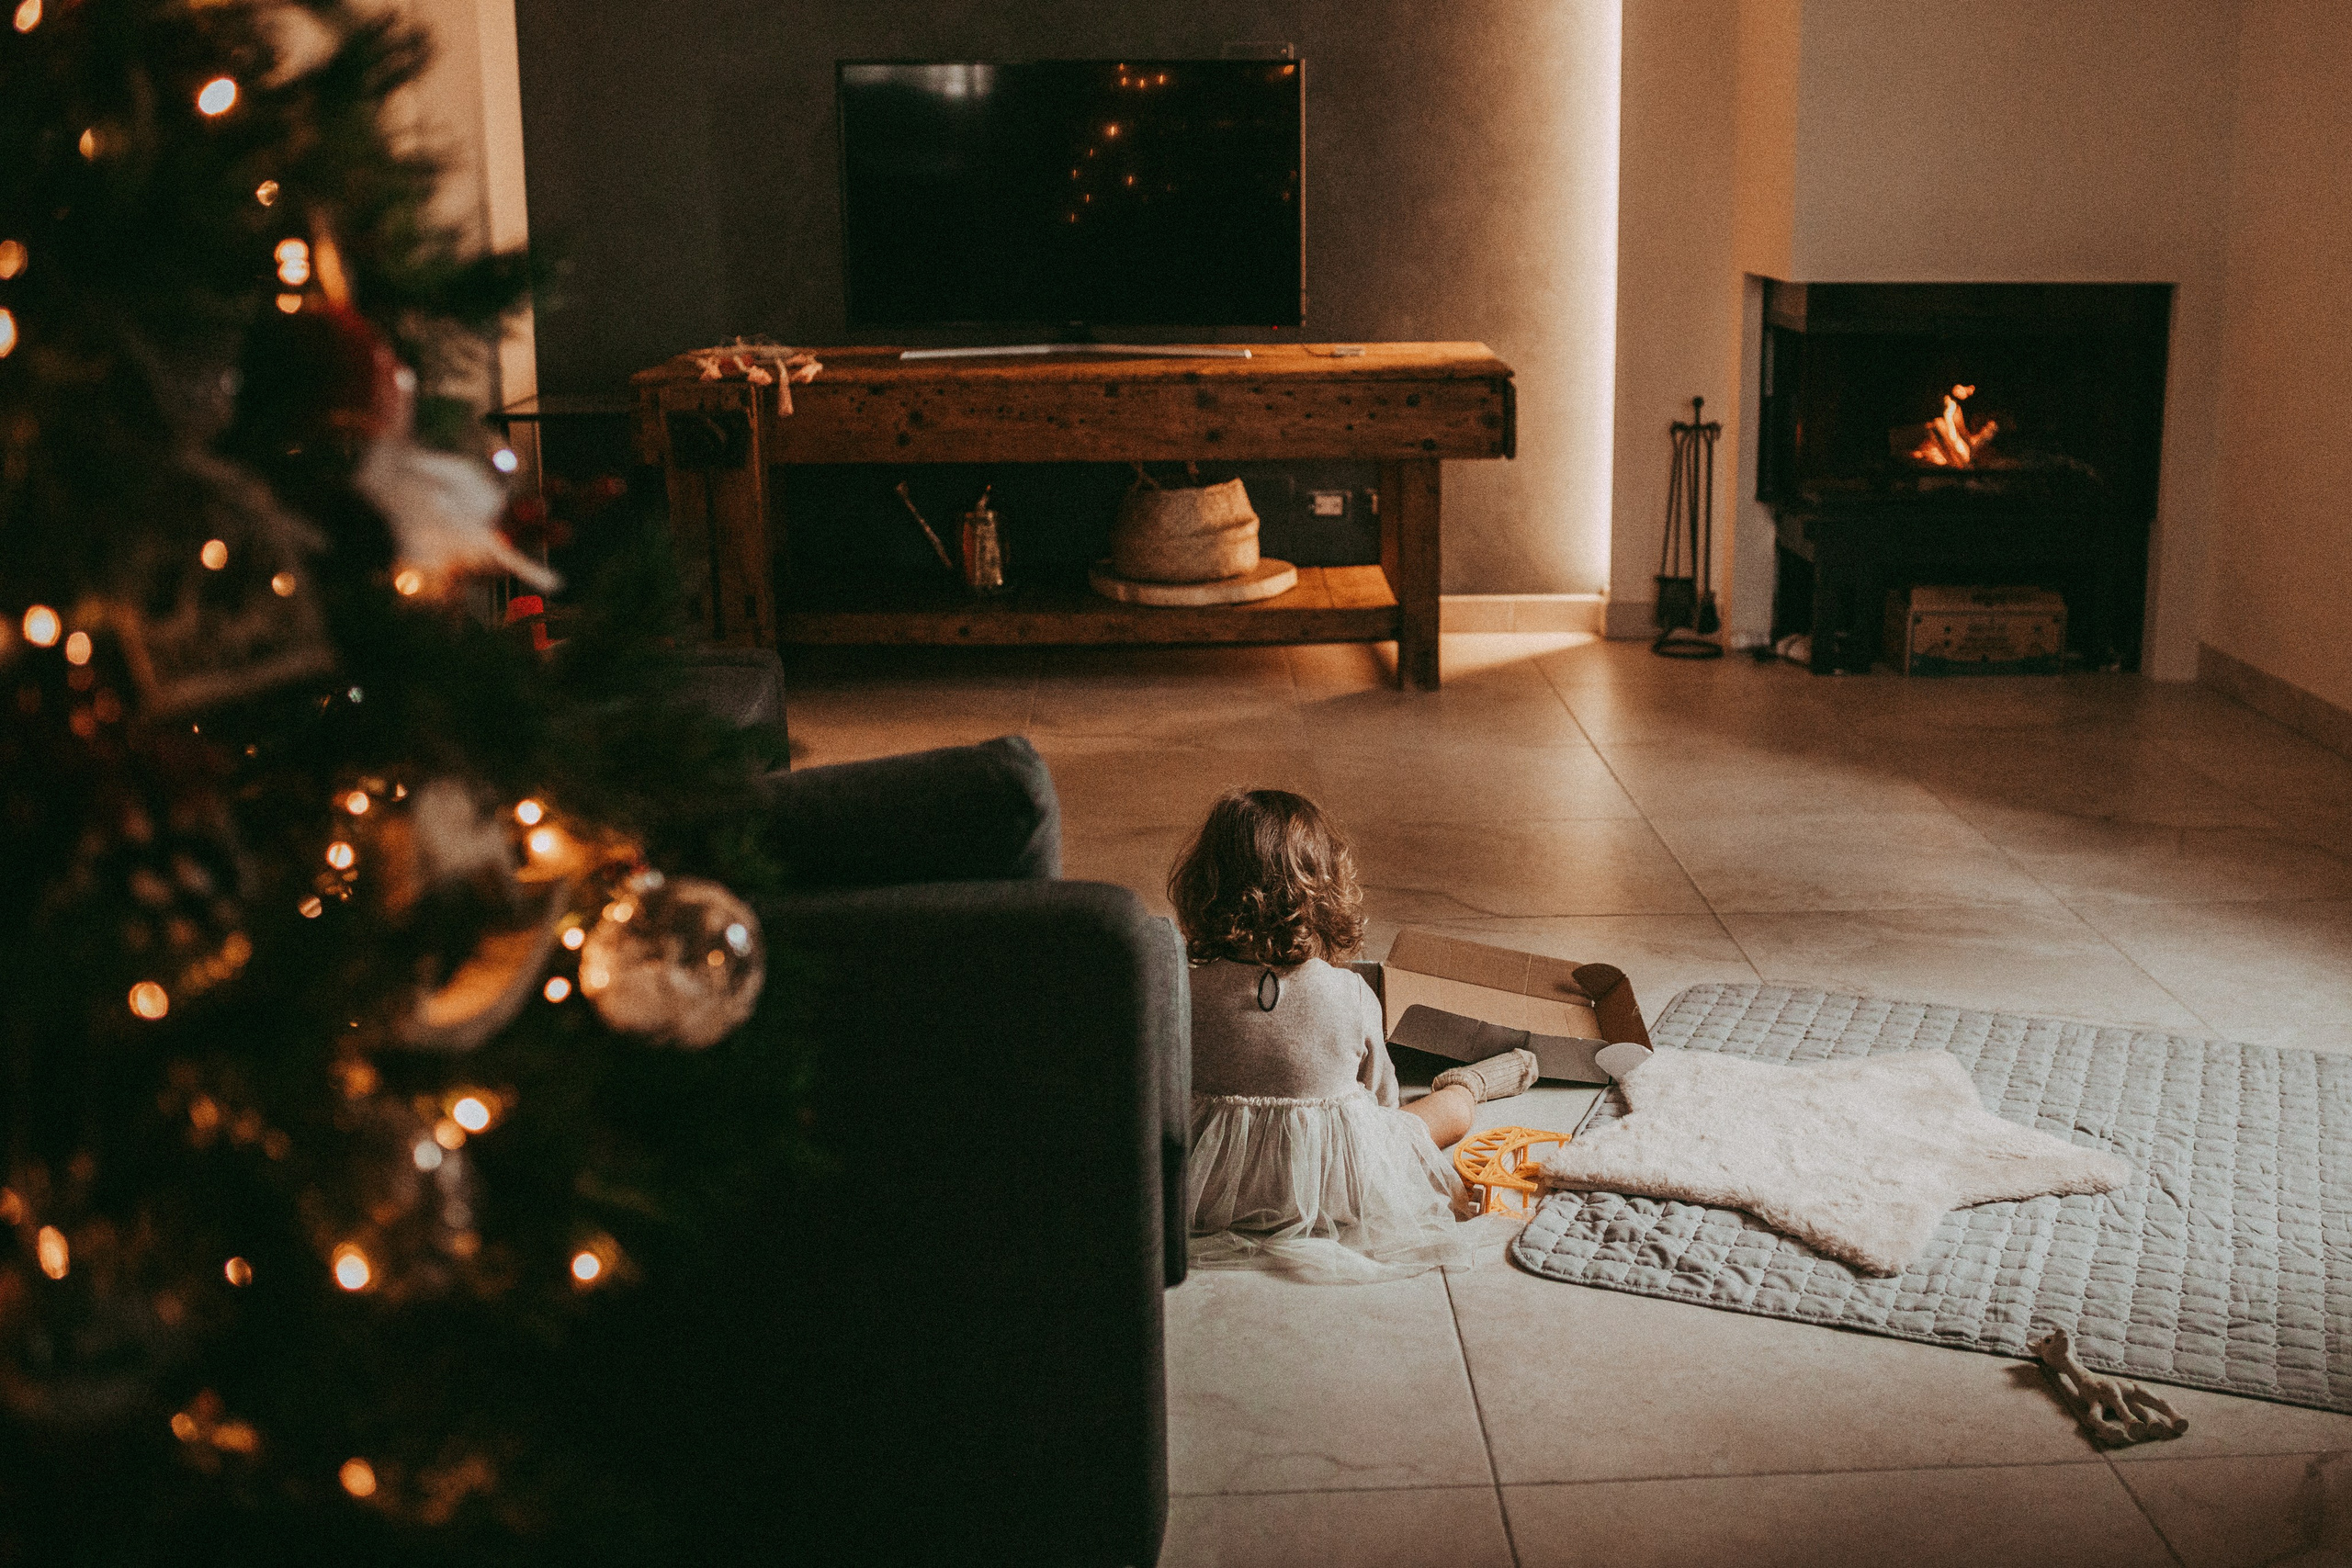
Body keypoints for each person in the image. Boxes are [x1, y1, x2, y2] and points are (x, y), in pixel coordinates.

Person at [1170, 788, 1538, 1283]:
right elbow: (1383, 1110)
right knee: (1444, 1113)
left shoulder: (1181, 986)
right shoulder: (1349, 991)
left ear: (1204, 884)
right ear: (1324, 893)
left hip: (1206, 1188)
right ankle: (1470, 1082)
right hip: (1333, 1189)